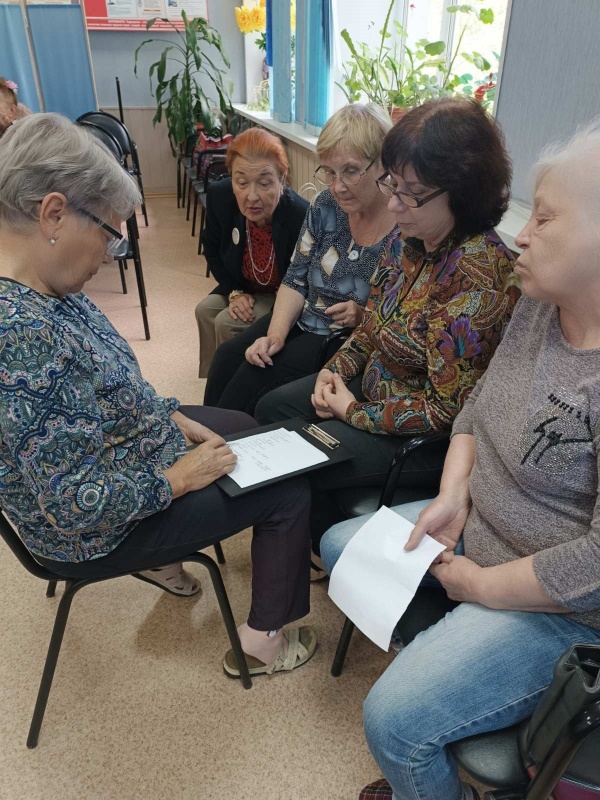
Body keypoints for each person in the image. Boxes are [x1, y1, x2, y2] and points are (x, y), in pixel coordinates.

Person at [320, 119, 600, 800]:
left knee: (392, 722)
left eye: (546, 218)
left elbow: (595, 566)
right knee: (337, 547)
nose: (523, 235)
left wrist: (482, 587)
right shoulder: (541, 307)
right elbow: (473, 410)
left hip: (556, 607)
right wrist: (453, 497)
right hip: (477, 527)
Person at [0, 113, 317, 678]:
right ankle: (263, 644)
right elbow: (72, 505)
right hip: (98, 528)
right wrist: (179, 479)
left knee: (255, 433)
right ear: (53, 214)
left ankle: (167, 560)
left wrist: (168, 416)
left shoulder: (45, 290)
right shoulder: (22, 336)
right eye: (107, 232)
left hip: (128, 456)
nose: (109, 253)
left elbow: (108, 388)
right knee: (287, 486)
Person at [255, 98, 519, 573]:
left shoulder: (477, 279)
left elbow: (446, 412)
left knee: (299, 454)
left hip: (422, 436)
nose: (394, 204)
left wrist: (352, 412)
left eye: (410, 194)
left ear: (462, 192)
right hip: (377, 388)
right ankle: (320, 541)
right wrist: (334, 371)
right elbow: (372, 325)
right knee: (272, 408)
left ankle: (325, 550)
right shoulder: (409, 238)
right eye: (392, 185)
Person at [203, 103, 399, 413]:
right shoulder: (325, 206)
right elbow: (295, 279)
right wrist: (275, 335)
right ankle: (206, 434)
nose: (338, 186)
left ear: (383, 164)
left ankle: (223, 439)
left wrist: (362, 315)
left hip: (341, 340)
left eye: (350, 171)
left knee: (254, 383)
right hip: (302, 318)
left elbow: (402, 318)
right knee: (227, 357)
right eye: (329, 172)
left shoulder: (403, 225)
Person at [195, 127, 308, 377]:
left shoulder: (299, 215)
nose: (252, 196)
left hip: (280, 295)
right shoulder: (220, 197)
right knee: (204, 310)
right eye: (242, 183)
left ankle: (234, 384)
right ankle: (212, 378)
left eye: (265, 183)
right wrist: (235, 292)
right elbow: (211, 248)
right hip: (243, 285)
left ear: (282, 179)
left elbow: (302, 281)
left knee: (226, 321)